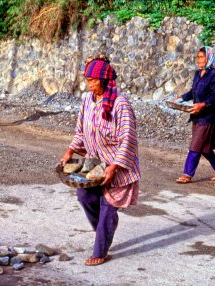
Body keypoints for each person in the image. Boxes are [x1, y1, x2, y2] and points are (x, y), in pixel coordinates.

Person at [60, 54, 140, 266]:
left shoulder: (120, 104)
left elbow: (128, 139)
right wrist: (70, 151)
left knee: (107, 205)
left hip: (117, 165)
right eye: (87, 80)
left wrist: (114, 166)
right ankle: (105, 230)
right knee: (84, 196)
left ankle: (100, 250)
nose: (89, 85)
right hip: (95, 163)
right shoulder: (87, 100)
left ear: (104, 81)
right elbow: (81, 131)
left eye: (93, 80)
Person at [175, 46, 215, 184]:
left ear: (209, 58)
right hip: (197, 115)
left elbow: (214, 95)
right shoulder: (198, 74)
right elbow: (193, 92)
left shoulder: (214, 75)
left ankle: (187, 174)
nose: (198, 59)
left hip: (208, 116)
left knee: (196, 145)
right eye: (198, 57)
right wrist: (181, 98)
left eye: (201, 57)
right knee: (204, 147)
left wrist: (202, 105)